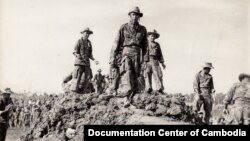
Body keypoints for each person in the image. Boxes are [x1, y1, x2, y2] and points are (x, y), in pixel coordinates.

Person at [109, 6, 147, 106]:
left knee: (136, 75)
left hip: (137, 54)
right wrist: (112, 57)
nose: (135, 17)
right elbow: (116, 43)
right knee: (128, 72)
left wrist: (145, 61)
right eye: (133, 14)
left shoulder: (143, 29)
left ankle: (132, 97)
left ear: (139, 17)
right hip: (126, 52)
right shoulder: (124, 27)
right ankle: (126, 96)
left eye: (137, 15)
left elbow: (145, 46)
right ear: (130, 15)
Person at [71, 27, 99, 93]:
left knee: (88, 77)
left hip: (86, 63)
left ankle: (85, 91)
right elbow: (74, 51)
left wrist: (94, 60)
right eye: (86, 33)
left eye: (88, 34)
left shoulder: (89, 43)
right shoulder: (79, 41)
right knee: (77, 77)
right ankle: (74, 91)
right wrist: (78, 55)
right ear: (83, 33)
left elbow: (90, 54)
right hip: (79, 62)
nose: (87, 35)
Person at [143, 30, 166, 94]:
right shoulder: (145, 44)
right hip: (147, 60)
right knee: (147, 74)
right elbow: (144, 53)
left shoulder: (157, 45)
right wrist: (144, 62)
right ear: (148, 36)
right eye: (151, 36)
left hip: (155, 60)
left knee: (158, 74)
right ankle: (148, 88)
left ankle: (159, 89)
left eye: (154, 37)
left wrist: (162, 63)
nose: (152, 37)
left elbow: (160, 54)